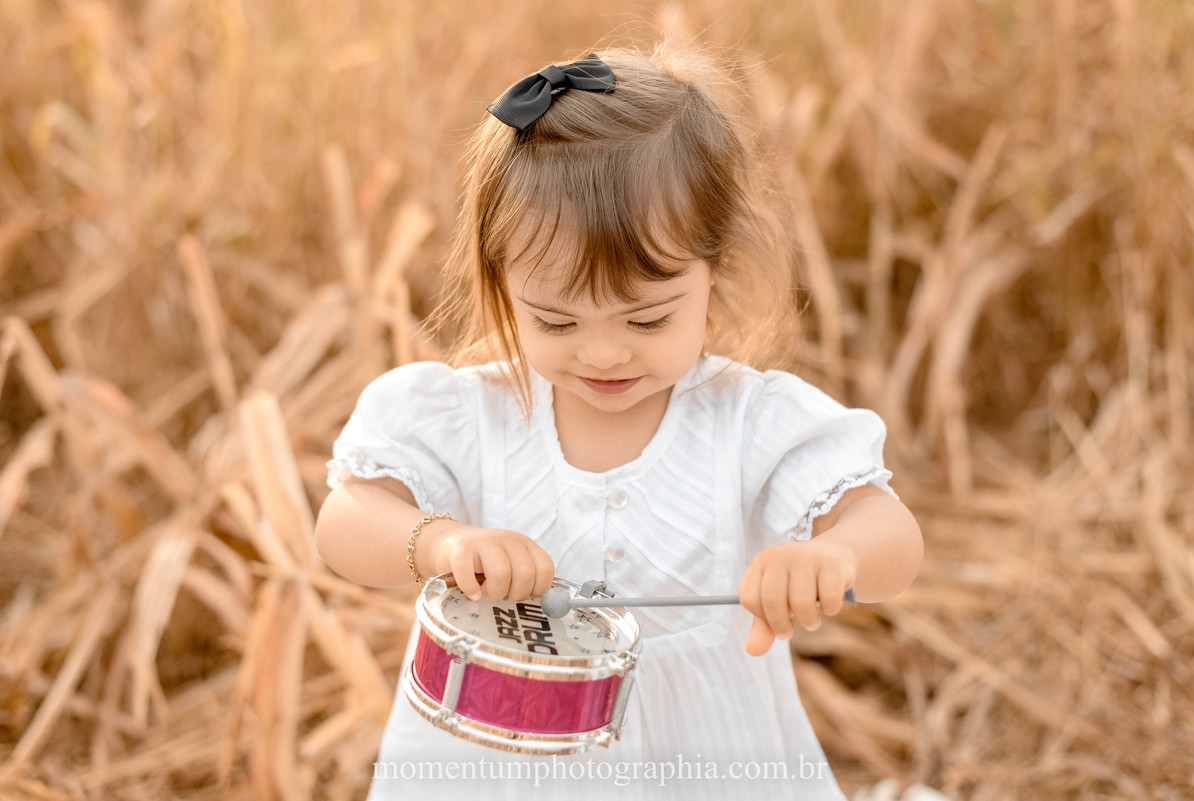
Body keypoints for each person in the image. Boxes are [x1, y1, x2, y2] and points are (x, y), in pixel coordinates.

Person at [314, 44, 924, 801]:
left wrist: (836, 559)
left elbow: (891, 533)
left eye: (646, 317)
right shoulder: (474, 415)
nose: (603, 353)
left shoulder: (750, 422)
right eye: (556, 321)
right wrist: (442, 542)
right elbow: (345, 520)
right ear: (503, 284)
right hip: (501, 769)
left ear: (717, 268)